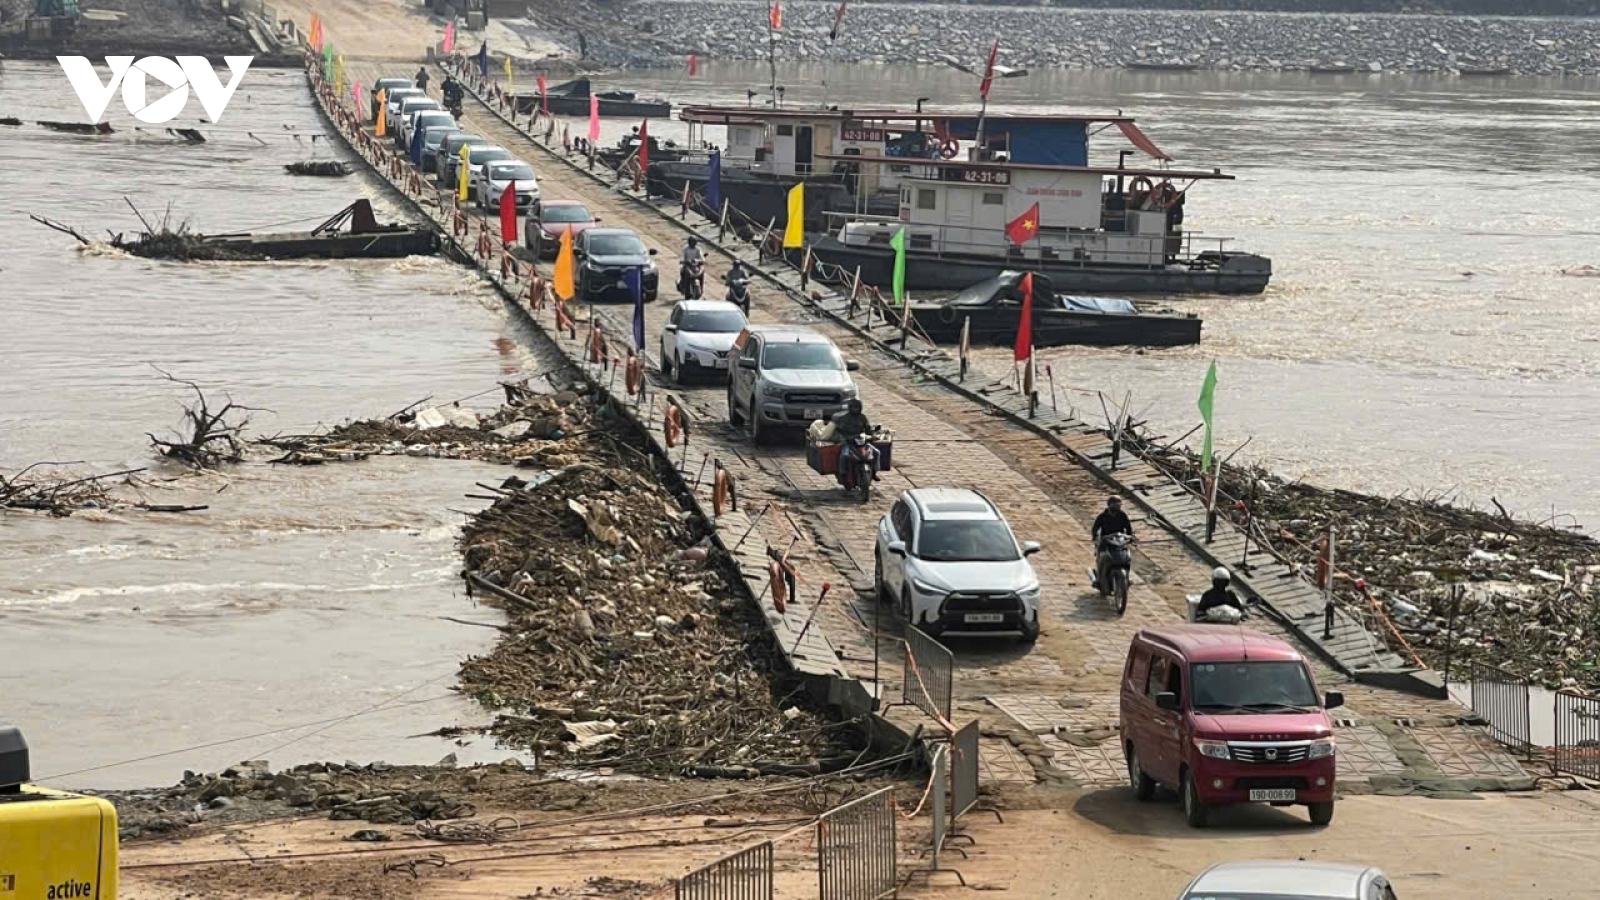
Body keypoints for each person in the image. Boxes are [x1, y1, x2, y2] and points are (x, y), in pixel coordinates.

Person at [830, 399, 873, 488]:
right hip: (848, 442)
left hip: (861, 442)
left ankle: (874, 472)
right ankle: (842, 473)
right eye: (854, 407)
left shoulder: (863, 417)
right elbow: (838, 431)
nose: (855, 409)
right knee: (844, 455)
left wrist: (871, 436)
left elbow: (868, 429)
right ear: (850, 408)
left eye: (857, 408)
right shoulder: (844, 418)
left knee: (876, 452)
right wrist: (843, 439)